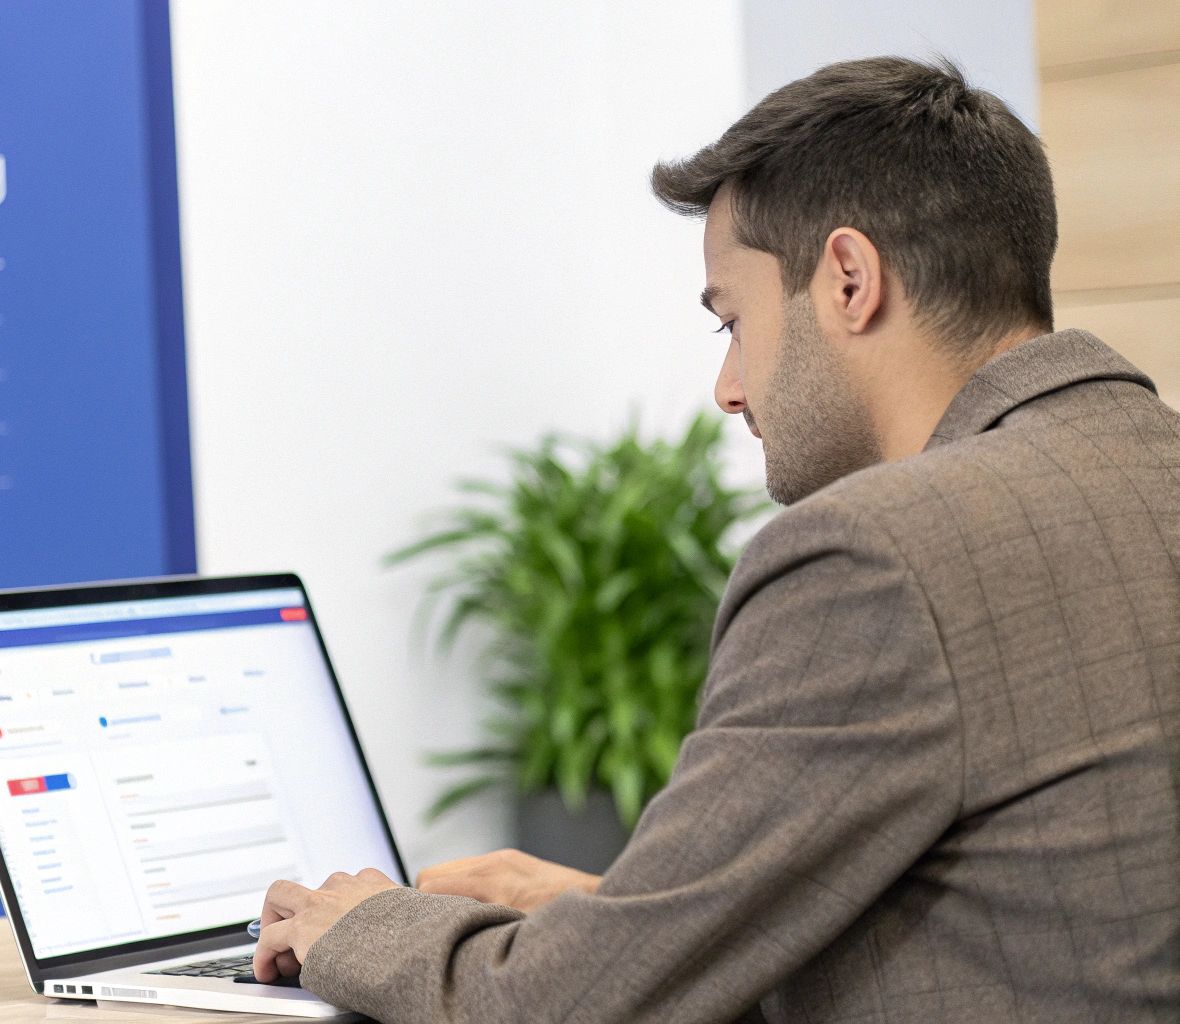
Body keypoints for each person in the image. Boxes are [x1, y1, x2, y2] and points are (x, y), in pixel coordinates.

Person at [249, 55, 1180, 1023]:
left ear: (849, 281)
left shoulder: (877, 554)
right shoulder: (1142, 471)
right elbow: (1022, 914)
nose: (728, 388)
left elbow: (567, 1010)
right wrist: (607, 911)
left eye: (731, 322)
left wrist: (359, 925)